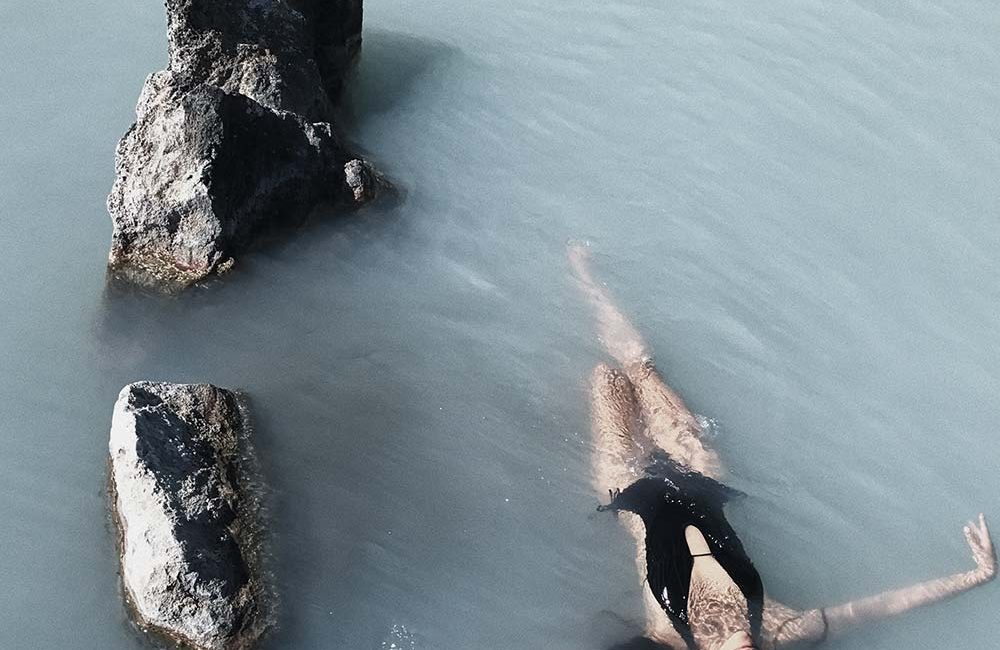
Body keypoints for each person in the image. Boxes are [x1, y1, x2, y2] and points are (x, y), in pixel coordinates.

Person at [568, 244, 996, 650]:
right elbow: (879, 607)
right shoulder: (784, 629)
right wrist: (976, 577)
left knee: (606, 378)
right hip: (702, 478)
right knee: (641, 371)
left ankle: (581, 279)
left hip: (629, 488)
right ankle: (588, 279)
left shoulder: (670, 638)